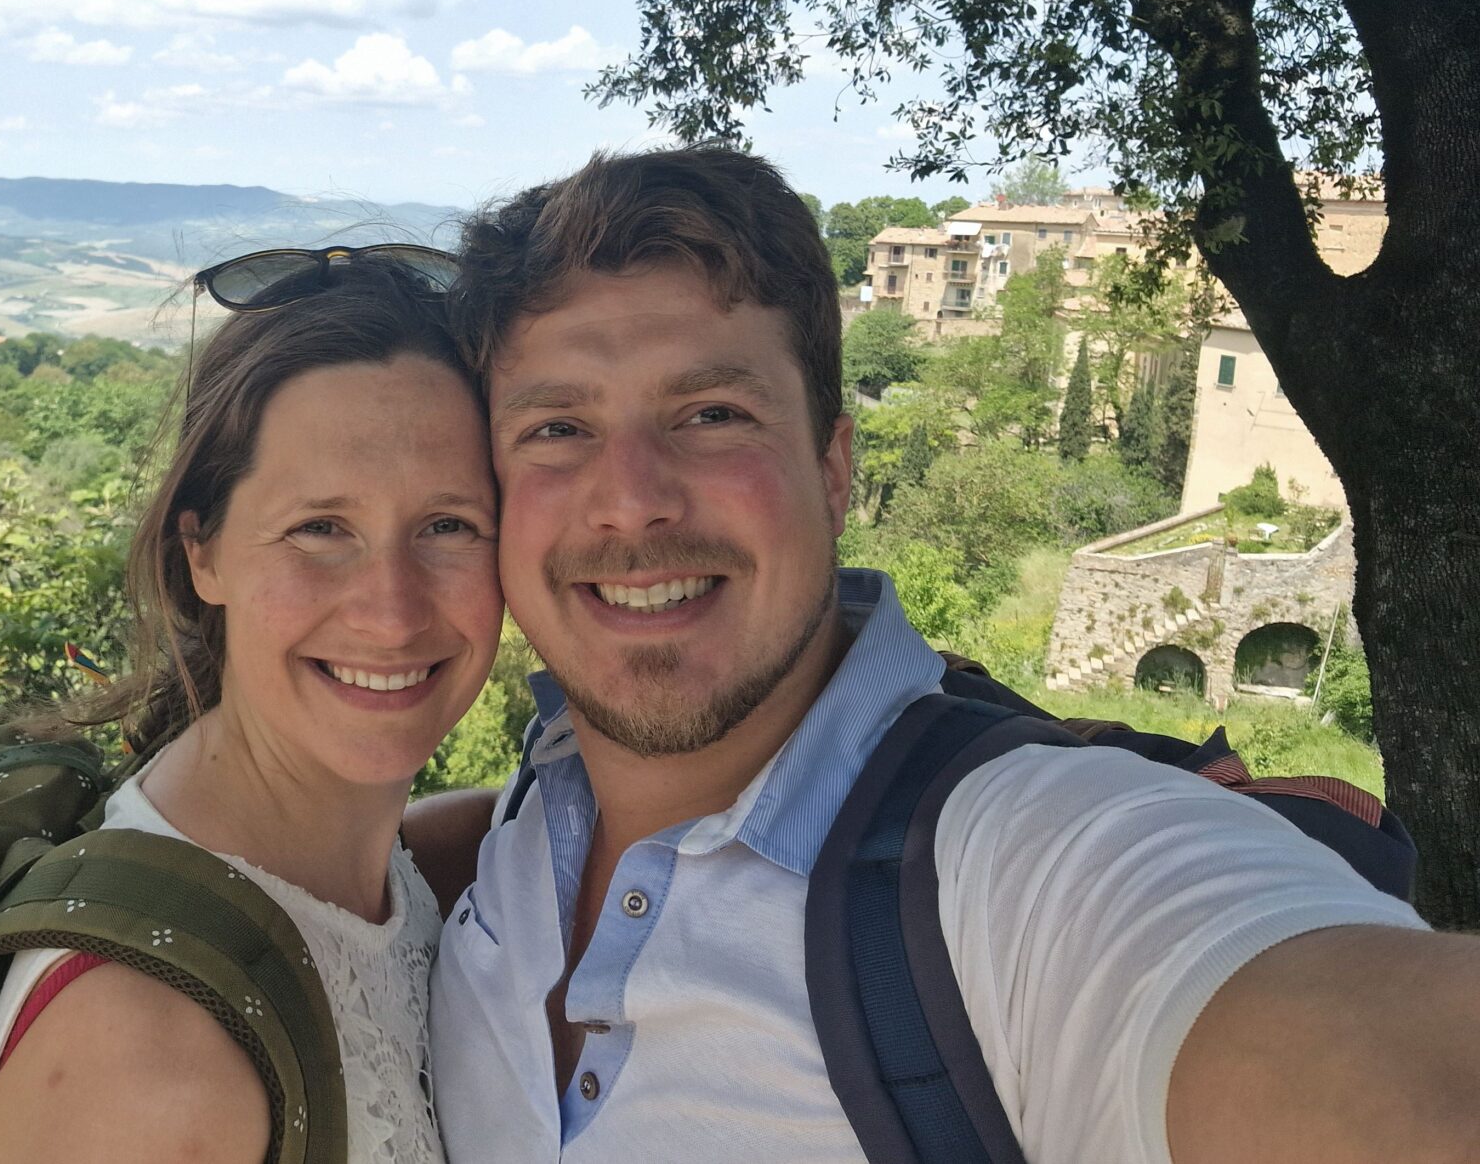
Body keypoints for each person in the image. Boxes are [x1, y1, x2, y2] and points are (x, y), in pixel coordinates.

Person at [426, 144, 1480, 1163]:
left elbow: (1400, 1078)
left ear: (832, 471)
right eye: (557, 431)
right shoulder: (541, 791)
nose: (631, 500)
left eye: (711, 413)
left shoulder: (1017, 868)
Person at [0, 248, 503, 1164]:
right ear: (202, 554)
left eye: (448, 525)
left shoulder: (366, 872)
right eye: (319, 529)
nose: (392, 609)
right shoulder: (145, 1057)